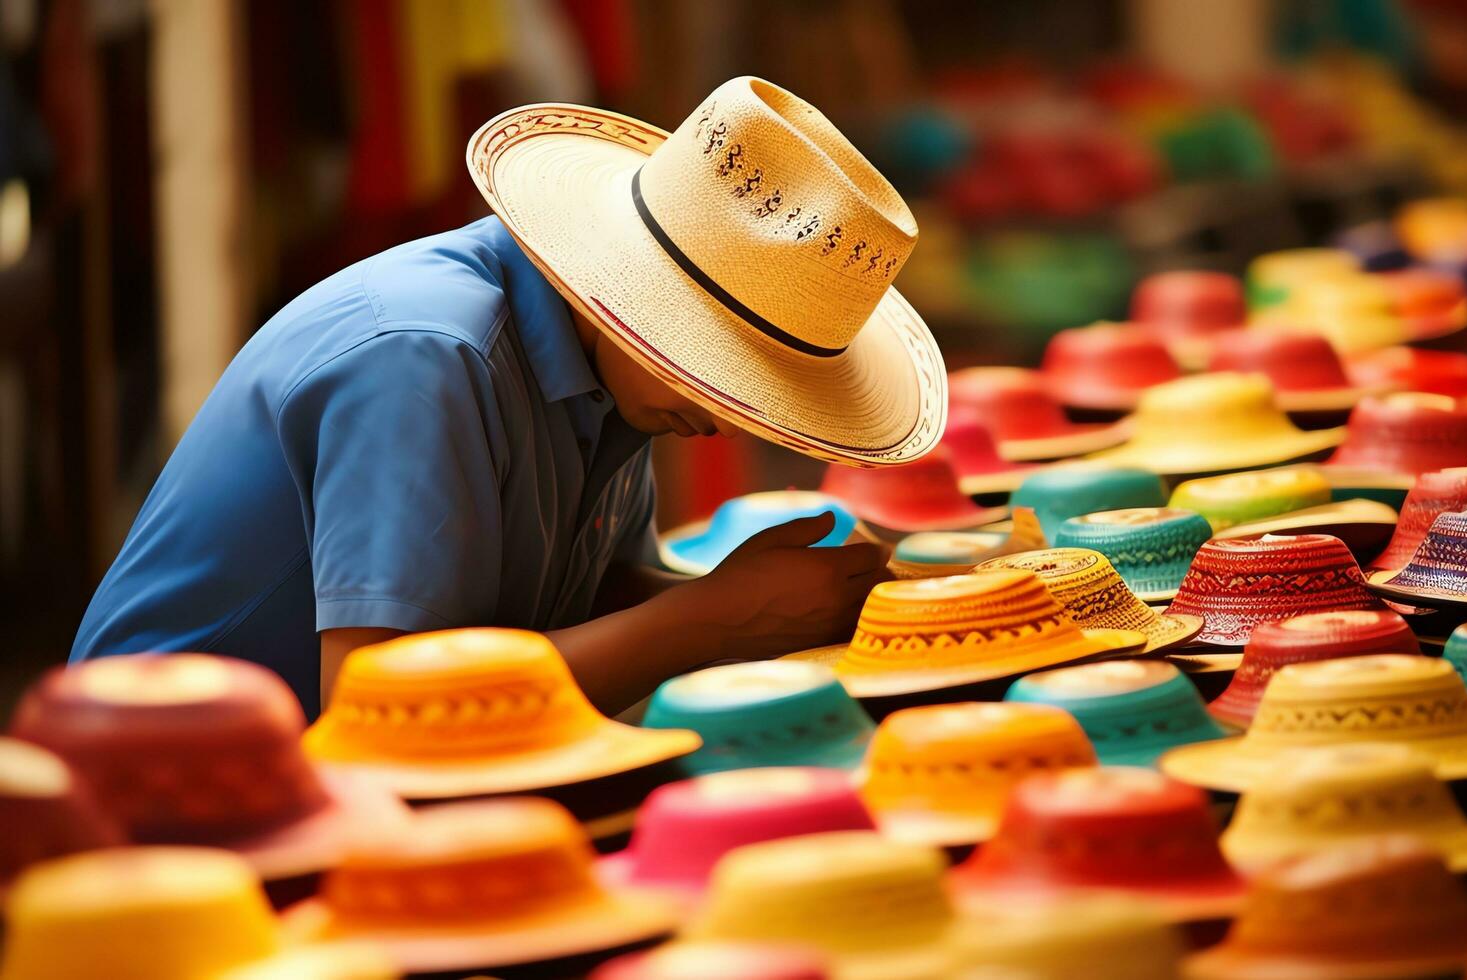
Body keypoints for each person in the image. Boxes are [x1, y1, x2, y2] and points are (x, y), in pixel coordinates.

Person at [72, 77, 948, 716]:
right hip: (159, 817)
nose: (722, 418)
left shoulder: (617, 376)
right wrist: (711, 621)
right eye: (720, 373)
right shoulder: (424, 358)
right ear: (635, 299)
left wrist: (767, 602)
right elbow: (382, 707)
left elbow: (574, 602)